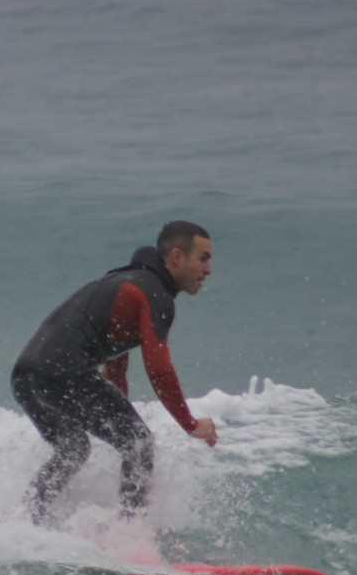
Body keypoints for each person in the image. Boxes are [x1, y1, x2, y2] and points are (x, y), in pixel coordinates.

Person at [11, 220, 218, 524]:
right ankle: (132, 538)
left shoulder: (124, 283)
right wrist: (189, 423)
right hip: (64, 372)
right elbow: (159, 369)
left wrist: (117, 411)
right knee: (140, 444)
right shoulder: (155, 294)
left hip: (26, 377)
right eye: (203, 258)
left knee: (74, 449)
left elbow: (115, 362)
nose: (208, 269)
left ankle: (28, 522)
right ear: (177, 257)